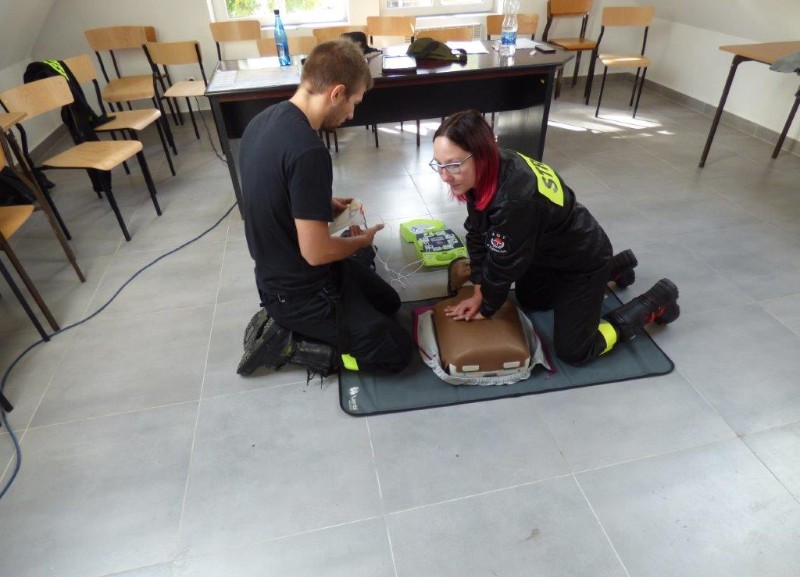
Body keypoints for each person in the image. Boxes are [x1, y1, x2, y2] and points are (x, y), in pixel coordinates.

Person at [433, 110, 679, 365]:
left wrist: (485, 305)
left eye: (453, 165)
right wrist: (478, 287)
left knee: (575, 351)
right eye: (438, 164)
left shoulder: (514, 199)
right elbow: (477, 232)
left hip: (583, 261)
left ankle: (654, 301)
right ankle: (616, 268)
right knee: (531, 301)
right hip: (545, 251)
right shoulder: (494, 167)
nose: (444, 176)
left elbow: (503, 264)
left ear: (482, 155)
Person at [237, 39, 413, 377]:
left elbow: (274, 195)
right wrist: (360, 242)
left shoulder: (263, 120)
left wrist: (320, 204)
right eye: (353, 103)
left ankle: (311, 322)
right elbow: (317, 253)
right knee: (396, 353)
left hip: (283, 274)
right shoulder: (308, 151)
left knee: (389, 303)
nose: (351, 115)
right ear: (337, 93)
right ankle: (295, 344)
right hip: (299, 293)